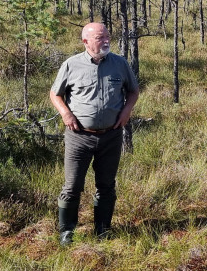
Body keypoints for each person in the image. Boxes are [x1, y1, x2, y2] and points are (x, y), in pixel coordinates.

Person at [49, 22, 140, 246]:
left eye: (107, 36)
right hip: (79, 136)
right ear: (86, 42)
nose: (106, 41)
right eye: (100, 37)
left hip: (111, 136)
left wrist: (126, 112)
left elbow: (133, 91)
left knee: (107, 185)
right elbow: (55, 94)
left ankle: (102, 229)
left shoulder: (119, 63)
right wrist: (65, 114)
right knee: (72, 186)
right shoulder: (71, 64)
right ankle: (67, 232)